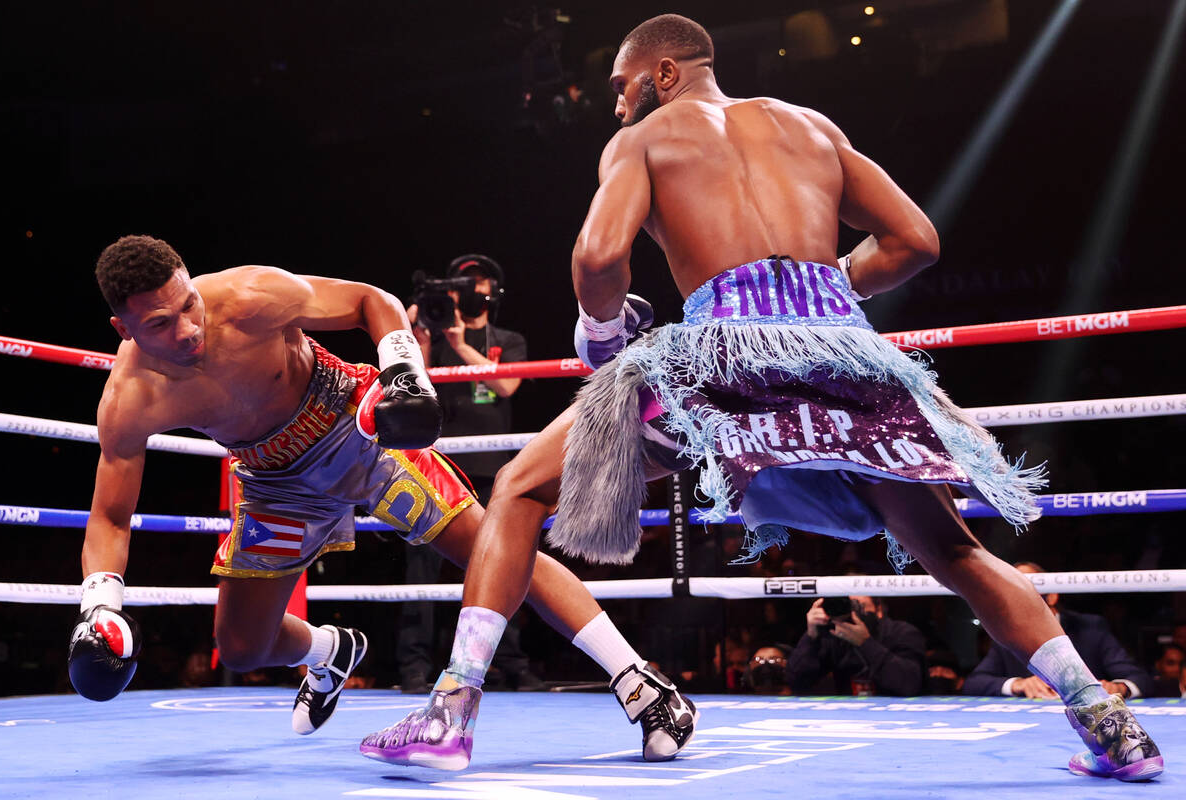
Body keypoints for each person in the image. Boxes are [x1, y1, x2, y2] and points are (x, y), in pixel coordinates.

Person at [366, 13, 1162, 781]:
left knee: (517, 486)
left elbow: (598, 255)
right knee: (954, 551)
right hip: (841, 348)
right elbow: (917, 242)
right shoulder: (813, 127)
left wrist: (601, 340)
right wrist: (831, 283)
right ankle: (1110, 724)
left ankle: (450, 712)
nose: (615, 103)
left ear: (665, 73)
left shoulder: (642, 139)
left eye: (622, 84)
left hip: (723, 351)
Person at [70, 235, 690, 763]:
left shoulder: (250, 297)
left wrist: (403, 378)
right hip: (275, 482)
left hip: (356, 429)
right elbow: (110, 516)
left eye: (188, 305)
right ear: (122, 329)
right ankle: (330, 650)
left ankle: (644, 686)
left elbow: (373, 301)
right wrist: (101, 607)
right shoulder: (130, 400)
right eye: (159, 324)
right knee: (240, 646)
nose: (188, 329)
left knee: (490, 547)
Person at [396, 254, 541, 693]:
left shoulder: (509, 339)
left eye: (477, 282)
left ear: (491, 291)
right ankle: (414, 666)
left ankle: (510, 663)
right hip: (438, 465)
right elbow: (413, 383)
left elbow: (507, 385)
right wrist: (415, 335)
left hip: (493, 470)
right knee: (421, 568)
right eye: (462, 281)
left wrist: (460, 344)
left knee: (506, 565)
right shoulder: (435, 338)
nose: (469, 288)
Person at [963, 562, 1153, 700]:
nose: (1013, 597)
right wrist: (1018, 684)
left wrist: (1118, 687)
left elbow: (1139, 679)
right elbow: (975, 682)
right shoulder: (1005, 632)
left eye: (1022, 588)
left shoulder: (1089, 628)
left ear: (1052, 596)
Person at [787, 596, 924, 696]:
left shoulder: (902, 633)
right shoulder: (833, 636)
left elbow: (909, 684)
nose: (853, 613)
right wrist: (811, 637)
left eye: (860, 606)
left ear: (879, 610)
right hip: (849, 716)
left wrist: (865, 643)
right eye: (849, 606)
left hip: (900, 713)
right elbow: (797, 683)